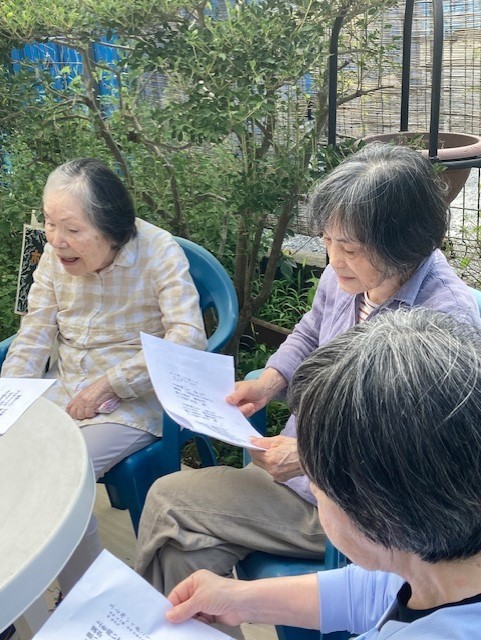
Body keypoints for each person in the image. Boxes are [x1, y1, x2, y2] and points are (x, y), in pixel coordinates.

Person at [135, 143, 480, 632]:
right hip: (307, 476)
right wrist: (268, 382)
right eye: (327, 240)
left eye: (350, 249)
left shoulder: (442, 326)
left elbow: (416, 461)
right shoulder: (348, 277)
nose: (333, 260)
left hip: (353, 500)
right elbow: (310, 330)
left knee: (170, 504)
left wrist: (306, 458)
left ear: (404, 244)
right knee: (181, 549)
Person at [165, 308, 481, 638]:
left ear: (377, 510)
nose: (313, 489)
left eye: (316, 480)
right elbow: (374, 591)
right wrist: (238, 599)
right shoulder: (431, 567)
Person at [1, 158, 207, 593]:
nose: (56, 240)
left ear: (112, 228)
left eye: (73, 229)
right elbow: (34, 331)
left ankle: (86, 598)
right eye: (50, 223)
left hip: (132, 402)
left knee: (57, 478)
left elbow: (188, 339)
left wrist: (111, 384)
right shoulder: (53, 253)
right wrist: (11, 398)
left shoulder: (158, 250)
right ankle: (20, 589)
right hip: (63, 388)